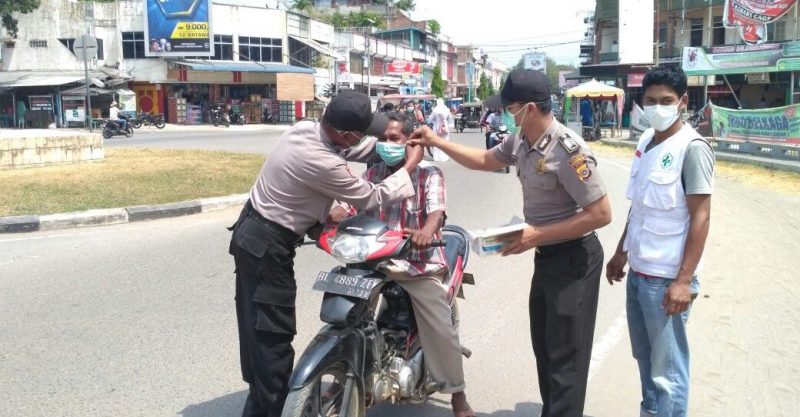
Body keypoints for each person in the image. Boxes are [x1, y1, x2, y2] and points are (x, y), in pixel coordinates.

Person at [410, 69, 611, 417]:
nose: (504, 113)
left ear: (529, 108)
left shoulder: (568, 150)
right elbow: (485, 160)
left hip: (575, 259)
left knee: (566, 358)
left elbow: (601, 214)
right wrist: (437, 142)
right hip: (547, 257)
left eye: (509, 107)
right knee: (546, 349)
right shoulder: (522, 139)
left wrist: (536, 235)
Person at [228, 91, 425, 417]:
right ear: (346, 133)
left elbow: (353, 148)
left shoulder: (305, 129)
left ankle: (259, 401)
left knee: (255, 331)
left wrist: (383, 149)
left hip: (252, 233)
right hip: (267, 247)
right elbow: (370, 197)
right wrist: (410, 165)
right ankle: (272, 406)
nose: (377, 139)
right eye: (367, 133)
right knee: (271, 335)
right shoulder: (324, 162)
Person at [332, 111, 474, 417]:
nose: (387, 144)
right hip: (374, 260)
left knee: (440, 325)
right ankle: (339, 371)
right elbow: (348, 205)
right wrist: (330, 214)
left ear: (412, 142)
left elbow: (437, 212)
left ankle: (457, 394)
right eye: (382, 138)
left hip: (416, 263)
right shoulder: (372, 174)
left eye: (394, 138)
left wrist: (426, 232)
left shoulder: (429, 174)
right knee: (346, 313)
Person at [606, 65, 714, 417]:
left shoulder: (692, 148)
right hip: (639, 273)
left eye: (666, 100)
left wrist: (683, 281)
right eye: (650, 100)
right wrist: (621, 252)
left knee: (668, 373)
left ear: (683, 102)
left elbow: (701, 217)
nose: (657, 107)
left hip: (667, 280)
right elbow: (639, 207)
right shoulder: (645, 141)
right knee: (646, 359)